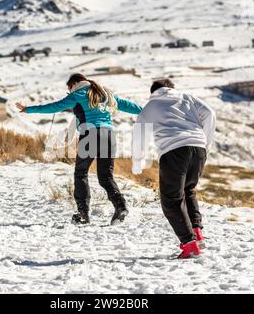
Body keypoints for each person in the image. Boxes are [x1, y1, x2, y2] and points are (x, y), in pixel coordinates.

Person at [16, 73, 142, 225]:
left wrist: (28, 109)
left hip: (90, 134)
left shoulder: (78, 94)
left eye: (69, 88)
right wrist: (148, 111)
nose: (70, 91)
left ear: (74, 84)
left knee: (81, 173)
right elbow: (128, 105)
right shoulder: (105, 93)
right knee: (106, 177)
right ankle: (120, 206)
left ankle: (83, 215)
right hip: (109, 135)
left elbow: (54, 107)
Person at [132, 79, 216, 259]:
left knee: (171, 199)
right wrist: (205, 144)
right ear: (171, 88)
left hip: (173, 150)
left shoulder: (152, 105)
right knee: (189, 190)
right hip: (198, 147)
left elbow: (139, 133)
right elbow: (210, 113)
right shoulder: (187, 97)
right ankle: (197, 233)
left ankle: (189, 244)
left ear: (153, 92)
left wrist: (138, 162)